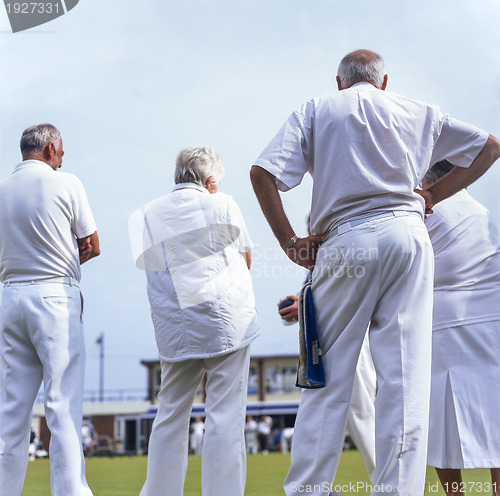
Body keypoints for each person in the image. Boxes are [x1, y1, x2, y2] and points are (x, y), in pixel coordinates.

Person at [250, 49, 500, 494]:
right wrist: (431, 195)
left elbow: (262, 174)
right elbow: (490, 147)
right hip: (408, 236)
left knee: (328, 380)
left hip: (345, 237)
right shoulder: (416, 109)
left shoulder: (316, 107)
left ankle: (308, 490)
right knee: (405, 382)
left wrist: (290, 242)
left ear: (340, 82)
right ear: (384, 82)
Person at [129, 145, 260, 496]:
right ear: (210, 180)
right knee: (225, 415)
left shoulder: (147, 214)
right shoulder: (223, 203)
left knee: (170, 414)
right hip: (224, 323)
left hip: (175, 327)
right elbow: (245, 259)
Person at [0, 124, 100, 496]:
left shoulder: (2, 190)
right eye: (60, 152)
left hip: (10, 296)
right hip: (55, 295)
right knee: (62, 405)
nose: (62, 158)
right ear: (51, 148)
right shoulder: (67, 182)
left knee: (11, 413)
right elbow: (91, 244)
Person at [422, 161, 500, 496]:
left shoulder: (425, 207)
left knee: (439, 417)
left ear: (436, 179)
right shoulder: (482, 211)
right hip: (491, 320)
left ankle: (455, 495)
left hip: (445, 319)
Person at [279, 294, 376, 483]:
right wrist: (305, 302)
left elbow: (353, 292)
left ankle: (391, 490)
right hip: (322, 345)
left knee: (365, 424)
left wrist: (309, 303)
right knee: (312, 425)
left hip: (350, 340)